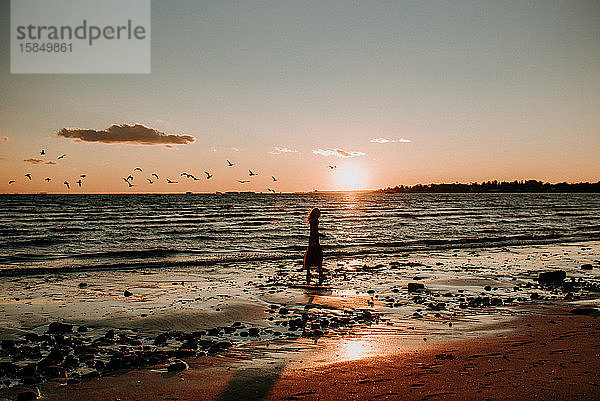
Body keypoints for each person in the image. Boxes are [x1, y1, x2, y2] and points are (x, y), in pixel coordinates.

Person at [303, 207, 324, 285]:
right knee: (317, 254)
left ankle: (310, 271)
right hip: (314, 238)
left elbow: (315, 231)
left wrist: (319, 235)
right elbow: (313, 231)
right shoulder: (314, 221)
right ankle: (319, 270)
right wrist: (314, 240)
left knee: (312, 254)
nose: (319, 214)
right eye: (318, 213)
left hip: (314, 238)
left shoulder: (314, 221)